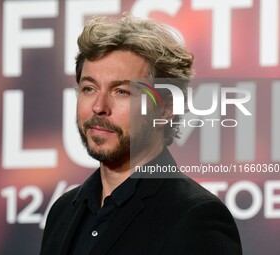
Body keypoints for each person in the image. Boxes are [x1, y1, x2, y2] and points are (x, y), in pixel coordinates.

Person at [40, 13, 242, 255]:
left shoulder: (195, 217)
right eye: (89, 88)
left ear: (166, 108)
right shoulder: (62, 212)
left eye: (122, 92)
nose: (98, 106)